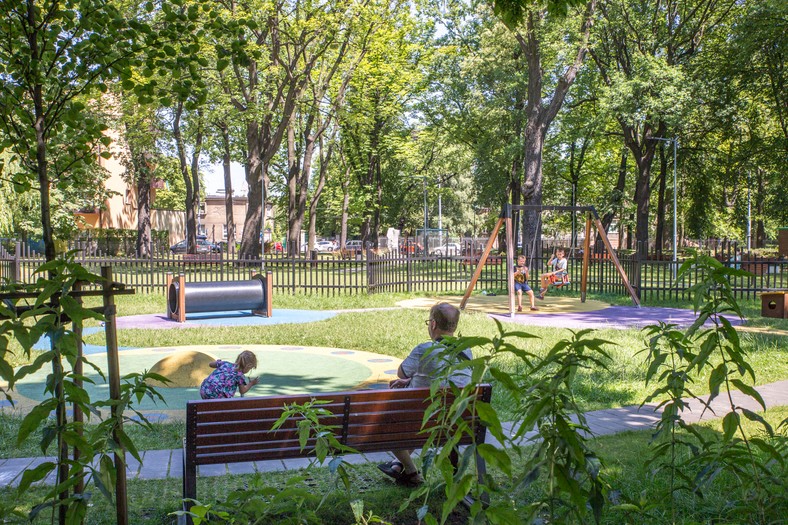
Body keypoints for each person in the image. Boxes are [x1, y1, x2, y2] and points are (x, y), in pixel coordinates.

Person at [377, 302, 472, 487]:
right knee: (419, 414)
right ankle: (398, 466)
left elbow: (401, 372)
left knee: (386, 423)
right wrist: (414, 380)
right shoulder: (466, 350)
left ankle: (412, 472)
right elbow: (444, 376)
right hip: (455, 422)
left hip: (422, 421)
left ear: (433, 324)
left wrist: (409, 379)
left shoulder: (423, 349)